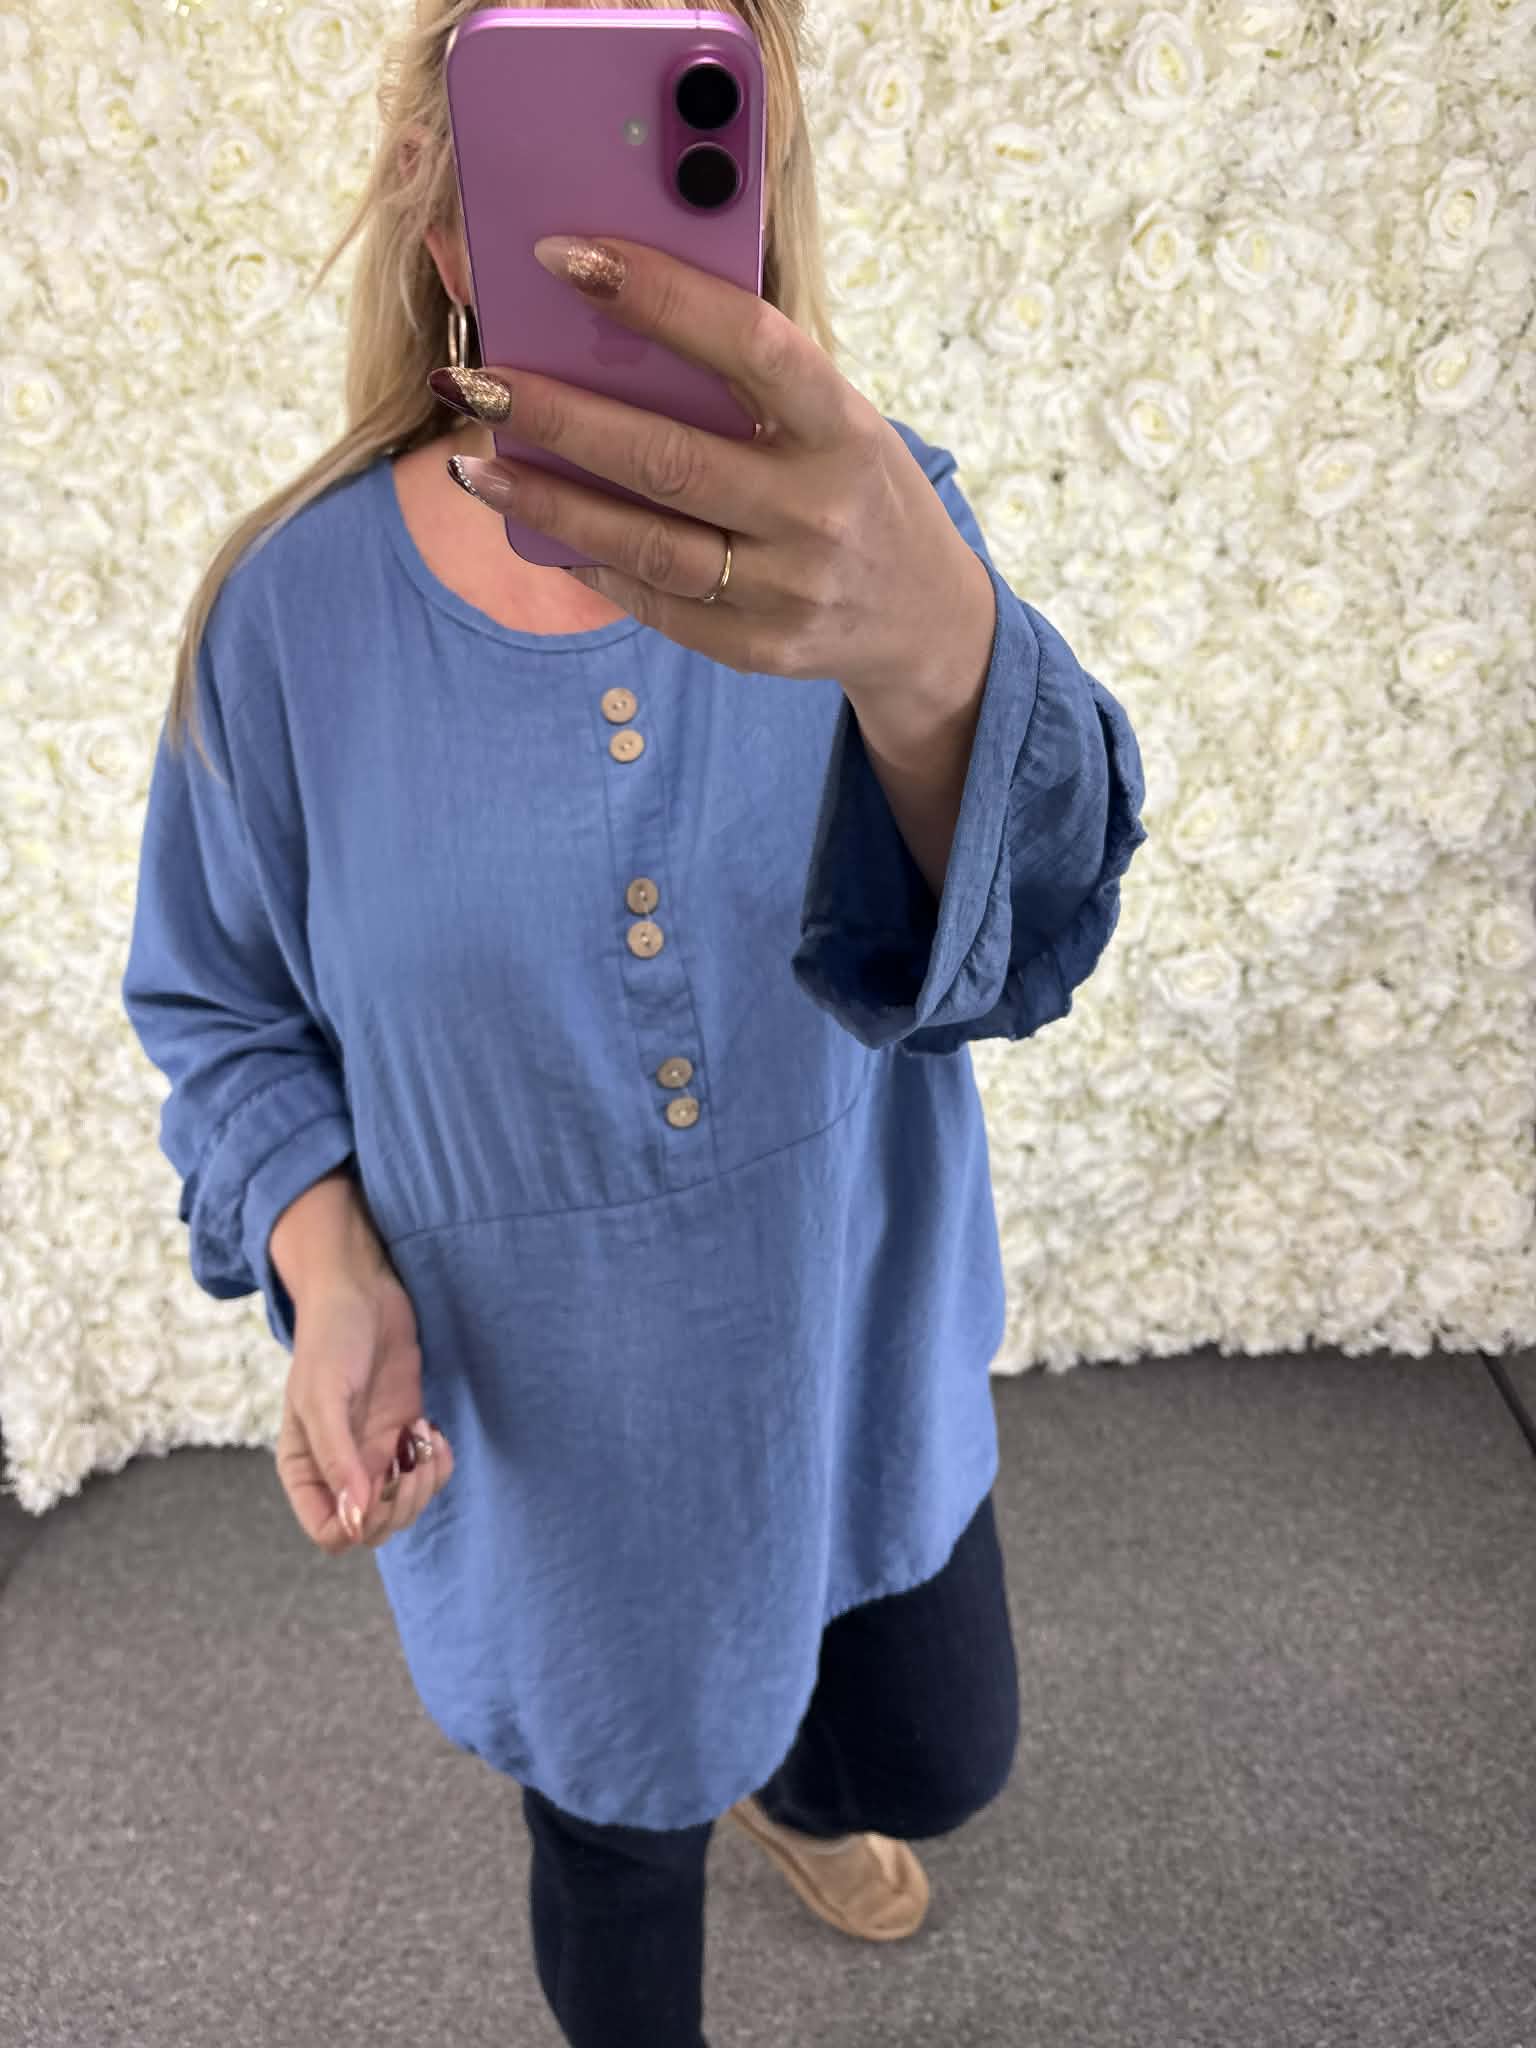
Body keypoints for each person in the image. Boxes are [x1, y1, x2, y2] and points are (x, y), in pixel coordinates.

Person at [120, 2, 1148, 2042]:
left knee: (932, 1755)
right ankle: (692, 1778)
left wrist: (944, 651)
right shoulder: (286, 623)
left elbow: (1037, 937)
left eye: (681, 130)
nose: (607, 240)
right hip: (546, 1446)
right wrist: (328, 1264)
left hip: (843, 1369)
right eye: (537, 142)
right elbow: (217, 1006)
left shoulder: (874, 546)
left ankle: (782, 1766)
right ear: (441, 214)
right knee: (614, 1858)